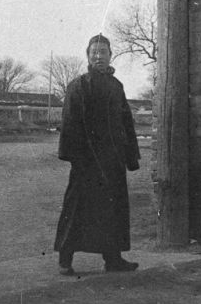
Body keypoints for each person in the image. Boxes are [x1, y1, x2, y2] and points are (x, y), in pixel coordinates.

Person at [54, 34, 140, 275]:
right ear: (88, 56)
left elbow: (126, 122)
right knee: (76, 208)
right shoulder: (78, 86)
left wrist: (130, 156)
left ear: (110, 56)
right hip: (87, 161)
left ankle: (113, 259)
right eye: (94, 52)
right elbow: (69, 124)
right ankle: (65, 259)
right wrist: (75, 157)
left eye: (103, 52)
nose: (99, 56)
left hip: (113, 161)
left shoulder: (116, 86)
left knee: (113, 209)